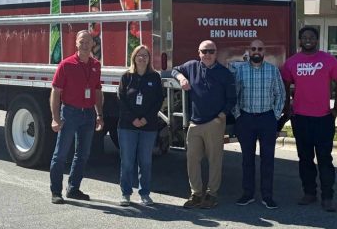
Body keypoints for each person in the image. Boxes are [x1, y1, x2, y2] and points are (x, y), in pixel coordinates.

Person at [281, 26, 337, 212]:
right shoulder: (292, 62)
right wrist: (287, 108)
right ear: (300, 41)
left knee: (325, 159)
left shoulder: (328, 60)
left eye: (311, 37)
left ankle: (327, 197)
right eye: (304, 37)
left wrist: (336, 109)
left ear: (317, 40)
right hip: (301, 118)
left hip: (324, 119)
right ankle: (309, 193)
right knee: (305, 159)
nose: (308, 40)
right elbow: (284, 85)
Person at [172, 40, 236, 209]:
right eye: (204, 51)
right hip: (195, 123)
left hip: (215, 123)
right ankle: (196, 194)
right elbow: (174, 70)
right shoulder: (191, 67)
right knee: (192, 159)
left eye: (211, 51)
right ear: (199, 53)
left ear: (216, 53)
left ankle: (211, 195)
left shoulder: (224, 73)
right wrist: (181, 78)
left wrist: (220, 116)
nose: (207, 54)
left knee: (215, 161)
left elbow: (232, 99)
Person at [49, 30, 104, 204]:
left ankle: (73, 188)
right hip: (70, 112)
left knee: (83, 154)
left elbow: (97, 90)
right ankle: (56, 192)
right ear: (76, 44)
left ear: (93, 44)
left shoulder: (96, 65)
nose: (85, 45)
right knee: (60, 154)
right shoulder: (66, 65)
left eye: (88, 42)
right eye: (82, 42)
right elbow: (56, 92)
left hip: (88, 114)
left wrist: (99, 114)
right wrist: (55, 117)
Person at [232, 39, 285, 209]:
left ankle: (267, 196)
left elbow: (281, 94)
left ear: (264, 51)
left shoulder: (272, 70)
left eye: (260, 49)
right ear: (249, 51)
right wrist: (238, 115)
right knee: (247, 159)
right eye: (253, 48)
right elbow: (234, 96)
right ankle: (248, 194)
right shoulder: (240, 71)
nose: (256, 51)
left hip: (267, 119)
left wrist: (275, 116)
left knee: (267, 159)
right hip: (246, 119)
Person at [117, 45, 164, 207]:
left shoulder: (155, 77)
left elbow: (159, 100)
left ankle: (145, 193)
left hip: (148, 126)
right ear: (134, 58)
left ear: (149, 59)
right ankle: (126, 193)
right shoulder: (126, 77)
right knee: (127, 161)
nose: (142, 58)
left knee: (145, 161)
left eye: (145, 55)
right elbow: (121, 100)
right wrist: (133, 119)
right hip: (127, 126)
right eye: (139, 55)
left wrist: (145, 118)